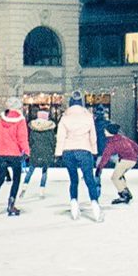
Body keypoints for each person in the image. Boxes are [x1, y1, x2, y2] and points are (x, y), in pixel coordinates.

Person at [55, 92, 103, 222]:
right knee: (89, 179)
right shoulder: (88, 117)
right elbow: (93, 137)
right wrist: (94, 151)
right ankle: (95, 207)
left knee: (73, 180)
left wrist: (58, 153)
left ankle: (74, 205)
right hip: (84, 150)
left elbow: (60, 137)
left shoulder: (65, 118)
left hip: (68, 151)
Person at [0, 102, 29, 216]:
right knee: (16, 179)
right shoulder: (20, 120)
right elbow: (22, 138)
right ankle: (11, 204)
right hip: (15, 154)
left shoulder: (1, 119)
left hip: (2, 153)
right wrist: (26, 151)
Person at [96, 129, 138, 204]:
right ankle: (126, 192)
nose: (104, 132)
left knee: (115, 178)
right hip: (132, 160)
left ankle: (124, 195)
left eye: (106, 131)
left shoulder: (112, 143)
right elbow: (134, 145)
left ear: (110, 132)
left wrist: (99, 168)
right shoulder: (122, 138)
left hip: (126, 160)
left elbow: (105, 157)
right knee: (120, 176)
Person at [25, 107, 56, 194]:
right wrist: (53, 151)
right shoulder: (50, 130)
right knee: (45, 171)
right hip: (46, 152)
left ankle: (25, 184)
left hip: (35, 151)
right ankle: (42, 188)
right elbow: (52, 142)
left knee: (31, 169)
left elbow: (30, 141)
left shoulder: (33, 129)